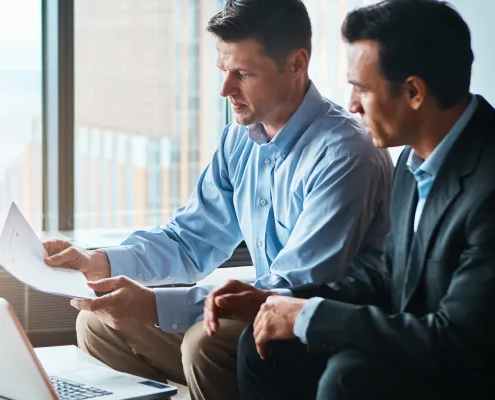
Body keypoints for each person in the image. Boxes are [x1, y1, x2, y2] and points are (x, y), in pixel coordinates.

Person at [205, 0, 495, 398]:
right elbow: (391, 275)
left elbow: (461, 341)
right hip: (433, 352)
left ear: (413, 92)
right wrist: (281, 300)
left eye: (362, 89)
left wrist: (310, 317)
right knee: (264, 345)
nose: (351, 105)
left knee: (350, 377)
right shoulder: (412, 159)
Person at [42, 1, 393, 399]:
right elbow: (189, 240)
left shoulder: (345, 153)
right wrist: (96, 262)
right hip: (263, 313)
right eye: (223, 71)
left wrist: (154, 306)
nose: (225, 89)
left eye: (242, 74)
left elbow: (295, 289)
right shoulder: (239, 139)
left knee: (207, 343)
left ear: (297, 64)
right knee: (100, 322)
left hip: (318, 331)